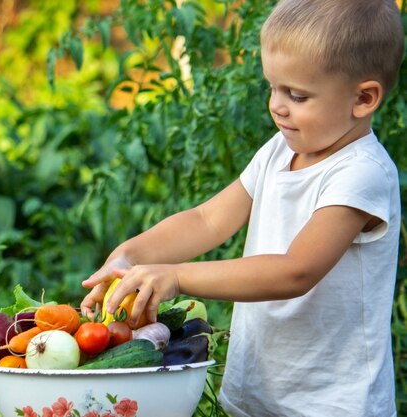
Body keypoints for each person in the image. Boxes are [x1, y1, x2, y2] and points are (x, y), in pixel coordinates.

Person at [80, 0, 405, 415]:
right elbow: (208, 219)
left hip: (330, 404)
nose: (277, 106)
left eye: (297, 95)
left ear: (363, 98)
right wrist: (131, 255)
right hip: (257, 397)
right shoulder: (278, 150)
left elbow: (296, 270)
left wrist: (177, 276)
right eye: (273, 86)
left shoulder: (361, 173)